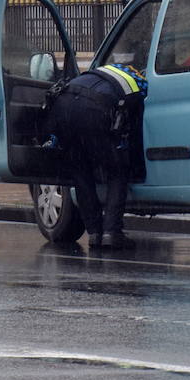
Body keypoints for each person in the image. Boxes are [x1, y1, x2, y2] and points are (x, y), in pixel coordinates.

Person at [45, 63, 148, 250]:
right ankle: (111, 232)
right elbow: (136, 119)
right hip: (94, 107)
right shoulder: (139, 83)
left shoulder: (105, 71)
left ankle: (94, 233)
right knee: (117, 171)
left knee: (80, 172)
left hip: (63, 104)